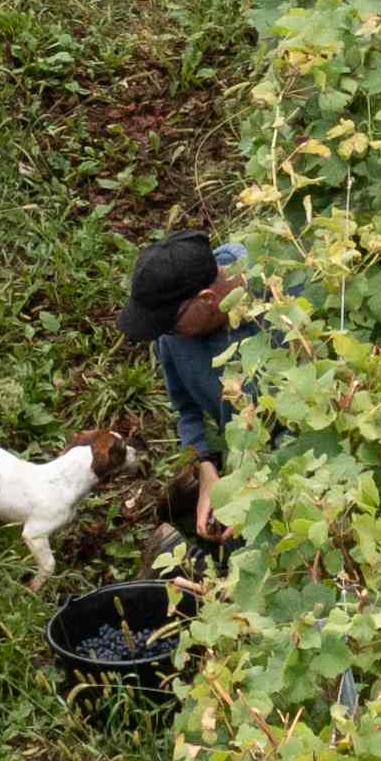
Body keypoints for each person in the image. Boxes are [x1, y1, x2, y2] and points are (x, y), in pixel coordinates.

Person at [118, 226, 252, 545]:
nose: (163, 335)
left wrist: (252, 495)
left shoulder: (281, 310)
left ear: (207, 300)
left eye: (168, 324)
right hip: (240, 451)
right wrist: (205, 467)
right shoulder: (173, 337)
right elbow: (187, 411)